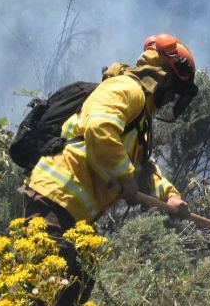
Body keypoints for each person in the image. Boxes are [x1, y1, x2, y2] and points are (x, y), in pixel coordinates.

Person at [19, 34, 198, 305]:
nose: (172, 98)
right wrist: (124, 175)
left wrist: (170, 196)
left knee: (80, 281)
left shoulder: (140, 118)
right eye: (174, 89)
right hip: (53, 199)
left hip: (75, 214)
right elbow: (100, 127)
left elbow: (143, 169)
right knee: (48, 291)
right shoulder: (126, 88)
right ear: (164, 75)